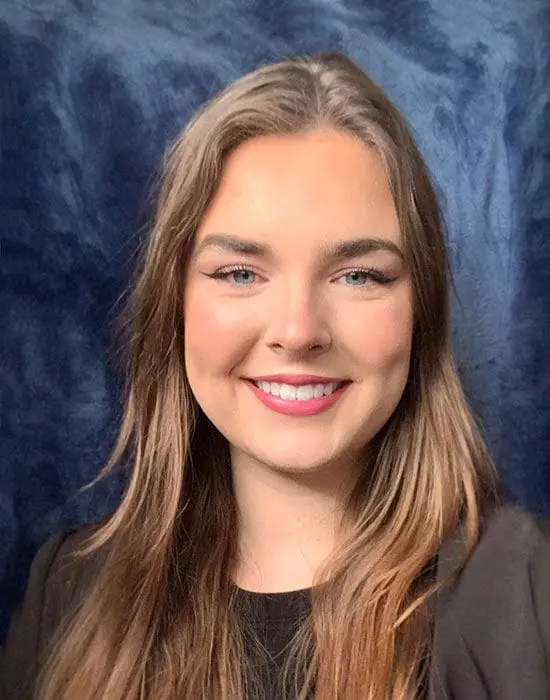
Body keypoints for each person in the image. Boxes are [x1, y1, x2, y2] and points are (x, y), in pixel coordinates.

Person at [1, 51, 549, 700]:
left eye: (358, 275)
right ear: (172, 306)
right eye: (240, 273)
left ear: (420, 312)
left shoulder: (525, 591)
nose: (297, 330)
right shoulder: (65, 592)